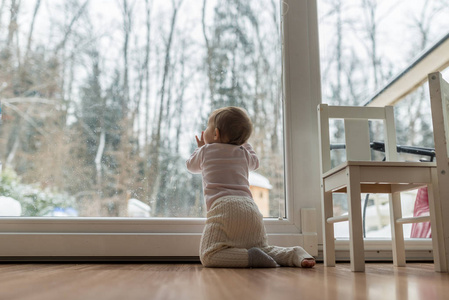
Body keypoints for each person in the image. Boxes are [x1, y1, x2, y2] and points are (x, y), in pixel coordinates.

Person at [186, 106, 316, 268]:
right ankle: (294, 253)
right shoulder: (243, 153)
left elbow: (191, 166)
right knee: (263, 249)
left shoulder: (205, 151)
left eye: (207, 127)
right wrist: (244, 143)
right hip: (251, 209)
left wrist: (198, 149)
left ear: (216, 134)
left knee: (209, 255)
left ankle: (250, 258)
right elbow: (255, 162)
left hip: (223, 208)